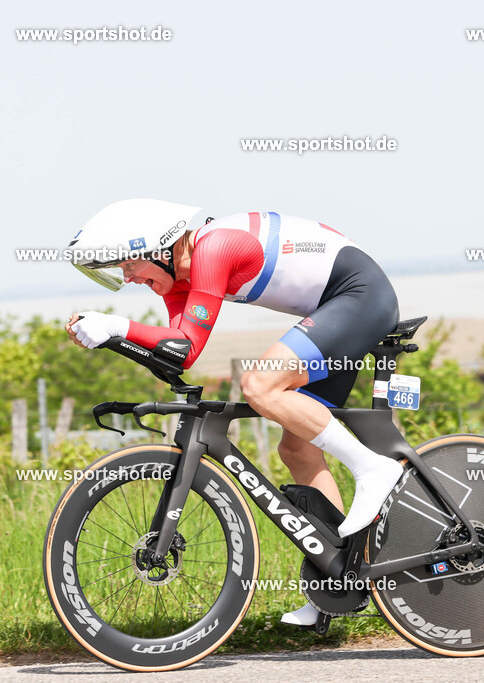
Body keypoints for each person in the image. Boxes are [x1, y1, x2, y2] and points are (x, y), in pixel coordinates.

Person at [64, 198, 403, 626]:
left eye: (129, 264)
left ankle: (373, 469)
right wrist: (113, 339)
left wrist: (117, 324)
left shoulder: (213, 247)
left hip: (359, 296)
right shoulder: (179, 279)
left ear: (158, 247)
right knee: (297, 450)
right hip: (334, 309)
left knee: (260, 384)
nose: (128, 278)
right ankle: (337, 582)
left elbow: (184, 344)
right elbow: (179, 354)